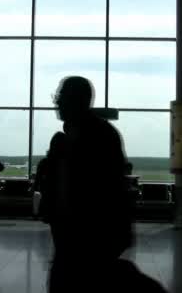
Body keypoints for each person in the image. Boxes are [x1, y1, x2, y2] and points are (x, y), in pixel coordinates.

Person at [48, 76, 134, 293]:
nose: (57, 103)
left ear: (76, 100)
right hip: (86, 235)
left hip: (88, 236)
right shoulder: (95, 133)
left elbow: (95, 191)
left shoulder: (90, 136)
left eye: (61, 97)